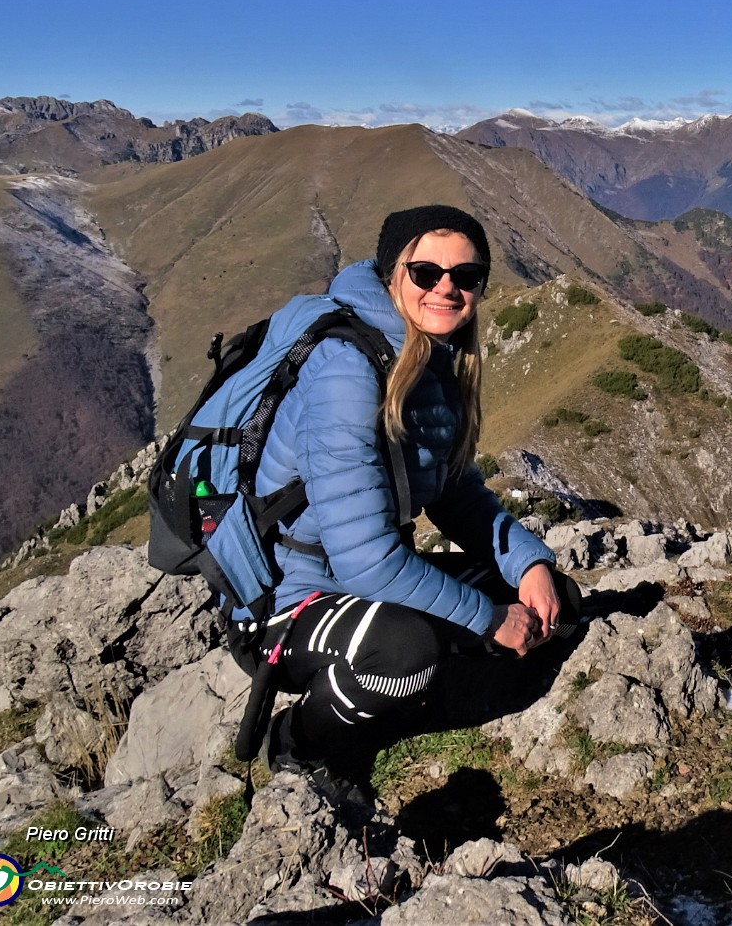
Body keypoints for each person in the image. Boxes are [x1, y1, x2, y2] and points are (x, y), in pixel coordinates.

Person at [243, 204, 577, 791]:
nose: (446, 288)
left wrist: (530, 566)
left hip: (367, 582)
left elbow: (453, 495)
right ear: (391, 274)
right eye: (426, 273)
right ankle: (301, 743)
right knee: (405, 651)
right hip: (290, 599)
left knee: (559, 605)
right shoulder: (348, 370)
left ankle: (400, 702)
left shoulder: (429, 359)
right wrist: (488, 618)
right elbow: (365, 559)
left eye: (466, 277)